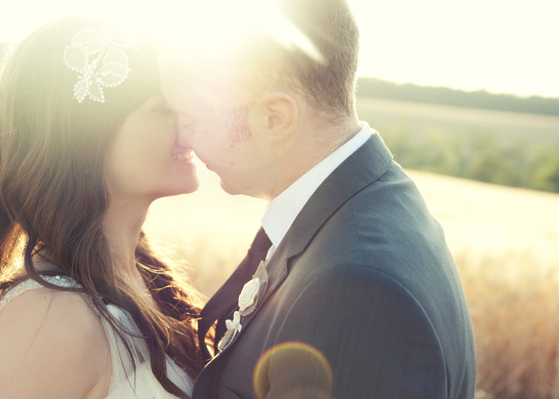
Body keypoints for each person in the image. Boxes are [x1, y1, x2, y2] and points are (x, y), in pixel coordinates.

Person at [161, 0, 477, 398]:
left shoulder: (356, 288)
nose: (184, 138)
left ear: (274, 118)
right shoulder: (366, 208)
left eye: (192, 118)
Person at [0, 18, 205, 399]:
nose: (191, 121)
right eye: (163, 108)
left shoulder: (147, 277)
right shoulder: (49, 318)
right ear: (88, 134)